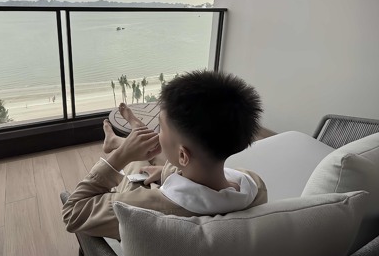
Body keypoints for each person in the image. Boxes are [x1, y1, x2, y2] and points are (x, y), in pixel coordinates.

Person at [62, 70, 267, 240]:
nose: (159, 134)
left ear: (183, 156)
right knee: (151, 155)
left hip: (140, 219)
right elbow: (204, 181)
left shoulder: (138, 209)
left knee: (136, 160)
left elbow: (73, 212)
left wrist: (121, 156)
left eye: (160, 128)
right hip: (184, 173)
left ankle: (121, 142)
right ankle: (119, 140)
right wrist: (164, 172)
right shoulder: (256, 187)